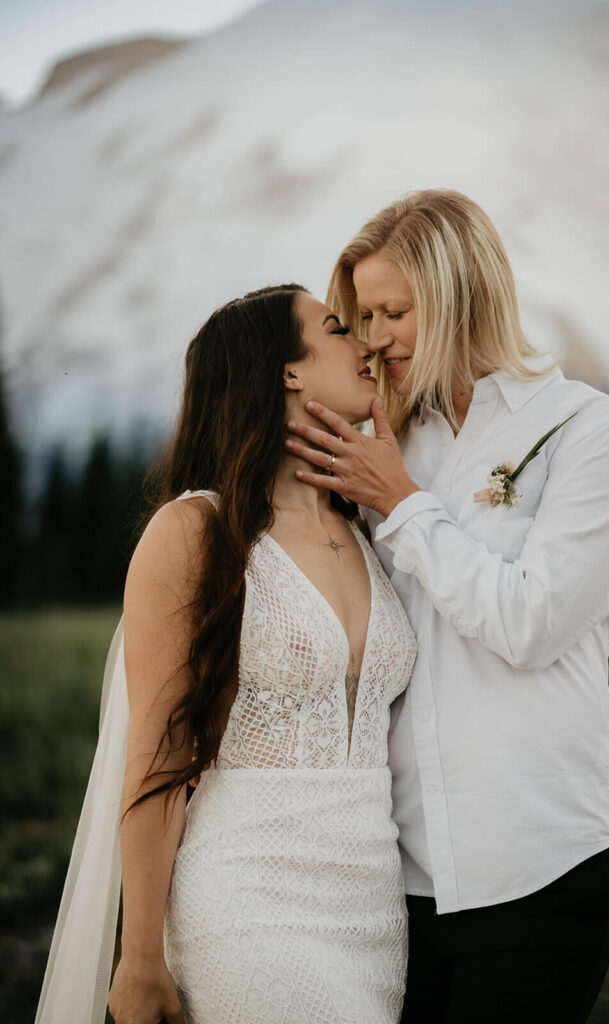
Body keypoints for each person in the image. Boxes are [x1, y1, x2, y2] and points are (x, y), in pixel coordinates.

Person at [286, 189, 609, 1023]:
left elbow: (530, 624)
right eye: (361, 316)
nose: (373, 338)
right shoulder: (386, 444)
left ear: (458, 295)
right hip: (397, 876)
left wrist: (405, 505)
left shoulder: (588, 434)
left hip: (539, 856)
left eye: (392, 312)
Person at [35, 284, 417, 1024]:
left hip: (372, 906)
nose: (367, 344)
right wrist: (140, 955)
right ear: (287, 373)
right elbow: (158, 746)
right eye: (338, 329)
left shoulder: (366, 529)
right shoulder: (195, 532)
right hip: (246, 898)